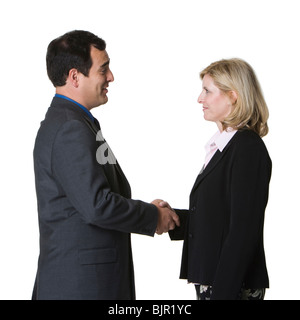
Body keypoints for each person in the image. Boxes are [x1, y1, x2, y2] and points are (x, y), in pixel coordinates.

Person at [32, 30, 179, 300]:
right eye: (104, 69)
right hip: (83, 288)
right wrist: (151, 216)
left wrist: (145, 210)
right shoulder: (70, 129)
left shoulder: (74, 122)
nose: (111, 77)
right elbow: (97, 205)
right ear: (75, 76)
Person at [163, 58, 272, 300]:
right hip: (218, 280)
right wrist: (175, 218)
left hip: (228, 285)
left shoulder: (247, 148)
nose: (200, 99)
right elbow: (221, 217)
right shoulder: (225, 147)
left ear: (233, 96)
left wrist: (223, 293)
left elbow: (243, 230)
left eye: (207, 91)